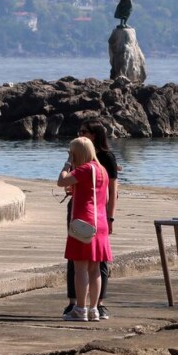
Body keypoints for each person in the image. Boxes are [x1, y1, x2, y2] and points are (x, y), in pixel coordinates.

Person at [64, 120, 118, 320]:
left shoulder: (86, 167)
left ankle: (80, 308)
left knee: (80, 266)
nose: (80, 133)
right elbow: (107, 193)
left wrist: (68, 163)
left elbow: (62, 180)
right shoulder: (101, 169)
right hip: (100, 218)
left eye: (83, 132)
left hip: (84, 219)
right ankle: (93, 308)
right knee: (94, 266)